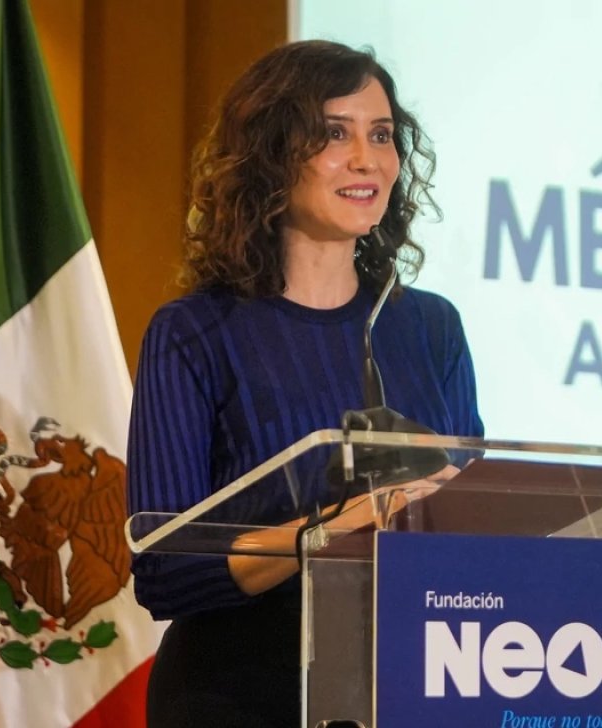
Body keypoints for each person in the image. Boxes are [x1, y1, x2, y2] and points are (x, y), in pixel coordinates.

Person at [126, 39, 484, 727]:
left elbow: (471, 527)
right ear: (269, 153)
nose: (366, 159)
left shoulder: (429, 328)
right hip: (238, 697)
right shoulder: (196, 333)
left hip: (409, 692)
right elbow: (166, 567)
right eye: (333, 134)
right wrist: (337, 528)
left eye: (381, 135)